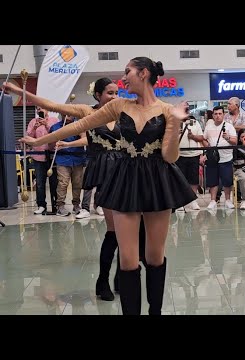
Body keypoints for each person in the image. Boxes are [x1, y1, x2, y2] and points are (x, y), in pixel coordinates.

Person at [19, 57, 194, 315]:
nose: (123, 78)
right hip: (125, 179)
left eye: (128, 72)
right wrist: (39, 141)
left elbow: (170, 157)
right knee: (127, 260)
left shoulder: (168, 110)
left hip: (158, 182)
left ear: (144, 74)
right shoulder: (120, 106)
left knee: (155, 257)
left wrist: (177, 121)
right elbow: (80, 125)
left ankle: (155, 312)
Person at [3, 78, 147, 302]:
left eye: (116, 92)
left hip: (125, 170)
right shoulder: (86, 111)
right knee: (113, 230)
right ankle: (103, 280)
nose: (114, 96)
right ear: (97, 95)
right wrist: (20, 91)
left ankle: (121, 276)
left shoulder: (122, 112)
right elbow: (52, 106)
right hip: (104, 171)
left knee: (127, 230)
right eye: (109, 93)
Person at [25, 107, 58, 215]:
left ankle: (56, 205)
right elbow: (28, 139)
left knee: (54, 183)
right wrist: (34, 128)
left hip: (52, 156)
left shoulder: (54, 120)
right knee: (39, 183)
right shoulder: (33, 122)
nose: (39, 109)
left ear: (47, 109)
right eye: (37, 108)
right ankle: (41, 205)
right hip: (38, 157)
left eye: (41, 107)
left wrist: (47, 125)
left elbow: (57, 135)